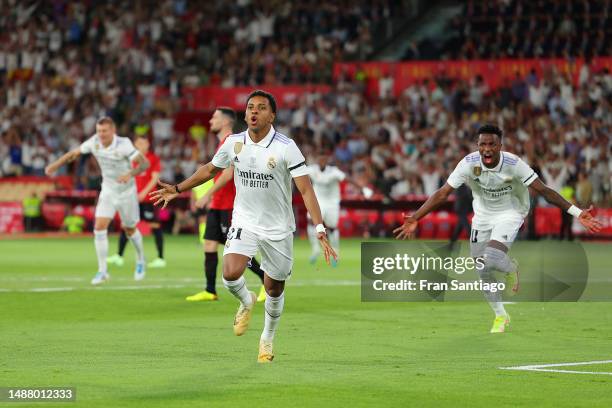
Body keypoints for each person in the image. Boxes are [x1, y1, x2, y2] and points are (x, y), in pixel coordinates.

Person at [151, 90, 336, 363]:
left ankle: (267, 339)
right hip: (245, 220)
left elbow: (306, 191)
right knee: (230, 272)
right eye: (251, 107)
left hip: (277, 228)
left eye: (261, 108)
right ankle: (246, 301)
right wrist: (178, 189)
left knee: (274, 288)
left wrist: (319, 228)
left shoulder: (286, 147)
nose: (254, 112)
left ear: (272, 115)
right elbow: (209, 169)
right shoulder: (233, 142)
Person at [394, 124, 602, 333]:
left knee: (491, 258)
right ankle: (500, 316)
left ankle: (511, 268)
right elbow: (442, 193)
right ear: (477, 146)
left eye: (492, 144)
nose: (487, 149)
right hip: (482, 217)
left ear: (500, 146)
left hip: (511, 213)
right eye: (482, 144)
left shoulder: (514, 164)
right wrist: (417, 217)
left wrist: (576, 212)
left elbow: (544, 191)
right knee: (482, 269)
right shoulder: (468, 163)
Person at [45, 117, 150, 285]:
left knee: (130, 229)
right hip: (108, 191)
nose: (101, 134)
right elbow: (73, 154)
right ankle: (102, 271)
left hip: (126, 192)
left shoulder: (124, 144)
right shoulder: (94, 142)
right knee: (99, 227)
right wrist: (55, 165)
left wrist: (129, 174)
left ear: (113, 131)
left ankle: (140, 260)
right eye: (99, 131)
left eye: (104, 131)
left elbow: (145, 164)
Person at [186, 107, 266, 302]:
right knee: (210, 244)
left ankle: (267, 281)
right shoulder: (223, 142)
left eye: (214, 117)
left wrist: (207, 195)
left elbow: (228, 174)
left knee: (239, 251)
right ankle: (210, 290)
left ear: (226, 122)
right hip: (218, 204)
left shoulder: (235, 142)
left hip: (230, 206)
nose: (210, 121)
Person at [107, 135, 166, 268]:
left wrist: (143, 193)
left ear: (148, 144)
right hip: (132, 198)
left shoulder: (153, 159)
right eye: (139, 143)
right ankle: (119, 256)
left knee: (154, 226)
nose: (142, 145)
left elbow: (155, 178)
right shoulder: (130, 159)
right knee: (126, 225)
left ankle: (160, 258)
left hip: (148, 199)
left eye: (144, 143)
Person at [307, 148, 373, 265]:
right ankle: (315, 250)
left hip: (332, 203)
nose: (322, 161)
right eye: (320, 159)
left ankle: (335, 252)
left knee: (332, 228)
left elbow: (348, 179)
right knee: (311, 221)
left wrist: (362, 189)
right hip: (318, 202)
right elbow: (298, 175)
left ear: (327, 160)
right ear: (317, 159)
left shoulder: (333, 171)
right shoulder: (312, 170)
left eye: (324, 159)